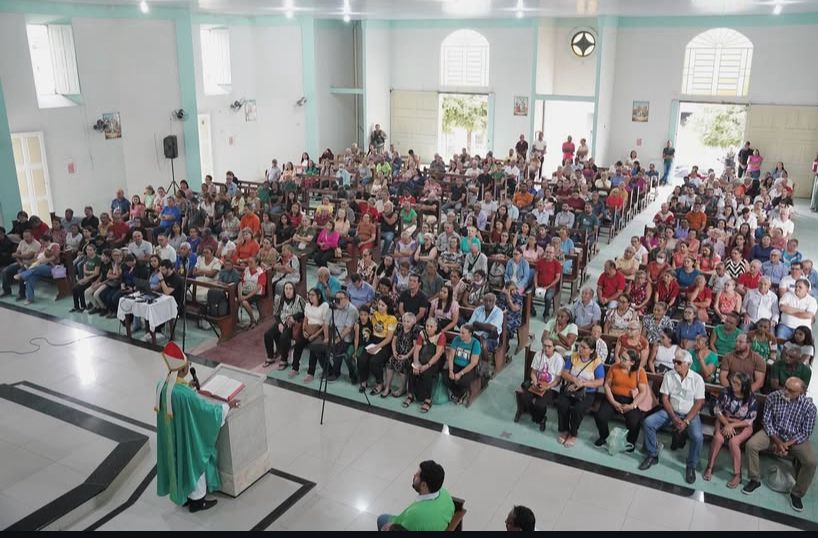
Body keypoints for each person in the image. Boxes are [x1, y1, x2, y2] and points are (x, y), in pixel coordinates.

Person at [155, 341, 239, 513]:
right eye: (187, 365)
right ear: (182, 369)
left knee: (178, 462)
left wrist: (188, 386)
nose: (188, 368)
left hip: (172, 435)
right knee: (195, 456)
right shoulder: (184, 395)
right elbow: (204, 412)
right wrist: (226, 406)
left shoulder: (161, 386)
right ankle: (197, 501)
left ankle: (183, 495)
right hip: (186, 435)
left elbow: (175, 396)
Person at [743, 377, 816, 512]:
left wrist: (786, 444)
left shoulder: (809, 407)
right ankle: (754, 479)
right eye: (785, 387)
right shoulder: (773, 397)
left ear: (801, 392)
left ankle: (797, 493)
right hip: (773, 434)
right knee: (751, 445)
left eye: (791, 390)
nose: (785, 392)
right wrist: (778, 442)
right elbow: (767, 421)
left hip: (794, 439)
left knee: (811, 461)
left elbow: (805, 432)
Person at [639, 349, 705, 484]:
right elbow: (664, 398)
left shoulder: (697, 379)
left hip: (690, 414)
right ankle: (652, 454)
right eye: (674, 361)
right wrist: (674, 418)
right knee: (648, 423)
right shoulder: (669, 375)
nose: (675, 364)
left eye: (679, 362)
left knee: (698, 437)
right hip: (671, 412)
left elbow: (699, 403)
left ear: (688, 364)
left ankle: (691, 465)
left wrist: (686, 421)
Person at [703, 371, 759, 488]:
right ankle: (709, 467)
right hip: (725, 419)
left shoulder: (751, 398)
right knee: (718, 438)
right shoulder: (725, 392)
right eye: (733, 382)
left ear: (744, 386)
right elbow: (717, 410)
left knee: (734, 443)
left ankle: (737, 475)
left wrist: (732, 426)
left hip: (742, 424)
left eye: (737, 384)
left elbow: (749, 420)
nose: (733, 385)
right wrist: (726, 423)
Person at [377, 460, 454, 531]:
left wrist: (391, 527)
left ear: (424, 485)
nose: (414, 475)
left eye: (417, 475)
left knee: (381, 519)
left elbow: (403, 528)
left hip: (405, 524)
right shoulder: (444, 493)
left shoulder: (415, 514)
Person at [594, 349, 648, 450]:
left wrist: (632, 405)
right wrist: (613, 402)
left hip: (631, 400)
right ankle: (604, 437)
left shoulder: (640, 372)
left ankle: (630, 442)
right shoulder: (614, 367)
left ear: (632, 362)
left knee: (634, 421)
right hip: (613, 397)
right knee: (600, 416)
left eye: (624, 359)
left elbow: (643, 392)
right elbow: (607, 386)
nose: (620, 360)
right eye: (621, 357)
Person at [557, 337, 605, 448]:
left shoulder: (596, 362)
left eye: (584, 347)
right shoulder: (574, 356)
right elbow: (564, 373)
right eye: (580, 345)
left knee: (578, 409)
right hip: (571, 387)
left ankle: (573, 434)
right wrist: (575, 380)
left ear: (591, 350)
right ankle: (564, 430)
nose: (580, 349)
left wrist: (583, 384)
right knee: (562, 404)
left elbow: (600, 381)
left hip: (587, 392)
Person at [515, 334, 564, 430]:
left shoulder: (558, 359)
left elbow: (558, 380)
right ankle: (538, 417)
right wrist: (536, 382)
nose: (546, 348)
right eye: (544, 346)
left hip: (551, 387)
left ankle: (540, 418)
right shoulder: (539, 354)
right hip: (537, 384)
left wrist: (547, 387)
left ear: (554, 347)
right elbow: (533, 372)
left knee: (540, 404)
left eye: (549, 346)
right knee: (525, 398)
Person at [406, 317, 447, 413]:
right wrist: (416, 364)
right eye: (427, 326)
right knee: (411, 369)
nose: (428, 328)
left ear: (436, 327)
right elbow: (416, 350)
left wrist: (427, 366)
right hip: (423, 357)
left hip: (436, 360)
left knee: (427, 373)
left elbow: (438, 355)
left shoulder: (441, 336)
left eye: (431, 326)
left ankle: (428, 399)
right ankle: (411, 395)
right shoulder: (422, 333)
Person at [263, 281, 306, 370]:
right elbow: (276, 313)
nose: (288, 291)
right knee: (267, 334)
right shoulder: (279, 299)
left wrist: (294, 316)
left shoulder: (299, 299)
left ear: (294, 290)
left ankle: (284, 359)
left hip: (293, 324)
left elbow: (305, 312)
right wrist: (279, 323)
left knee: (284, 337)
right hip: (281, 322)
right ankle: (270, 356)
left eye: (290, 289)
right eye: (286, 289)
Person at [445, 324, 482, 406]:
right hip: (456, 364)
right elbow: (451, 357)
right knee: (446, 377)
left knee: (462, 381)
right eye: (460, 332)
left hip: (468, 367)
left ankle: (461, 394)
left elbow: (473, 363)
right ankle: (457, 393)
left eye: (463, 333)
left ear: (470, 334)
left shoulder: (475, 343)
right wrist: (451, 371)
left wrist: (460, 373)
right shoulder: (456, 339)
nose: (460, 335)